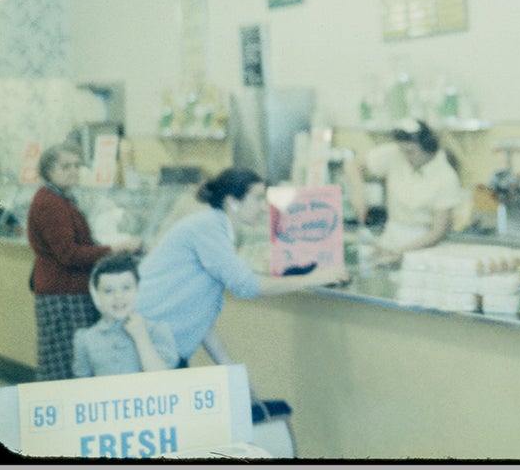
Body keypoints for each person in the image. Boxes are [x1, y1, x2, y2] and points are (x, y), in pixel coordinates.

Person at [134, 168, 348, 371]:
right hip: (144, 345)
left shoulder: (214, 227)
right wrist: (313, 278)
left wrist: (233, 374)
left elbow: (201, 320)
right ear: (232, 202)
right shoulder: (208, 228)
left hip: (157, 343)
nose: (264, 206)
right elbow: (248, 285)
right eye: (257, 198)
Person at [26, 144, 141, 381]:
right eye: (65, 166)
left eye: (77, 165)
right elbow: (69, 254)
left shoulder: (60, 198)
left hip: (64, 290)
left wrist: (100, 245)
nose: (73, 171)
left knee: (65, 361)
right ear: (48, 170)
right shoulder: (51, 203)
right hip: (63, 295)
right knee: (64, 364)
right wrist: (114, 248)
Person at [342, 119, 463, 266]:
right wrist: (358, 192)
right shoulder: (396, 153)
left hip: (422, 246)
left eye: (411, 152)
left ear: (428, 148)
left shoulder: (446, 176)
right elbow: (353, 165)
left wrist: (400, 252)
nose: (406, 157)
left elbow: (438, 232)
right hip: (390, 238)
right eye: (403, 151)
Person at [73, 253, 179, 377]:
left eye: (126, 288)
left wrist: (141, 337)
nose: (118, 296)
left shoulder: (157, 329)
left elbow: (163, 378)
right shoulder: (86, 338)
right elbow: (83, 387)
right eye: (108, 290)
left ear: (137, 289)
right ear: (97, 295)